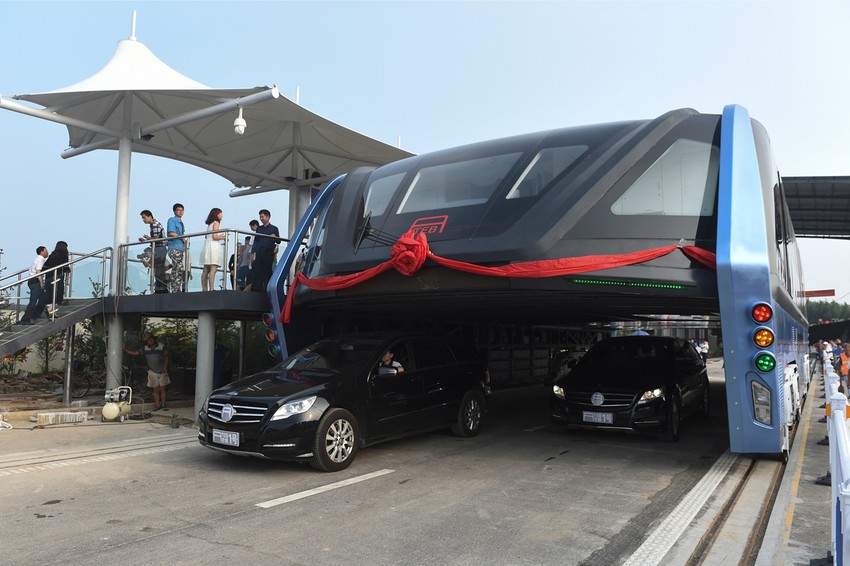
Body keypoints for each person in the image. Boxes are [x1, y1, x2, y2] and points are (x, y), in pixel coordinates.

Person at [124, 332, 170, 410]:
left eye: (151, 339)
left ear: (154, 339)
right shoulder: (145, 348)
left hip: (162, 370)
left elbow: (166, 357)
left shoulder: (161, 346)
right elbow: (136, 353)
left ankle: (163, 404)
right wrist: (126, 350)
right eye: (148, 340)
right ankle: (158, 405)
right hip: (151, 370)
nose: (150, 341)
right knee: (155, 388)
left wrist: (165, 367)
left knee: (163, 388)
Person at [249, 209, 280, 292]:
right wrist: (252, 253)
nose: (261, 218)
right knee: (258, 270)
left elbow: (279, 241)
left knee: (267, 271)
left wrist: (275, 237)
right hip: (259, 252)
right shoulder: (259, 229)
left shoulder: (274, 228)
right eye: (260, 217)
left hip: (269, 252)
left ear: (268, 217)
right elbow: (256, 241)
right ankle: (258, 289)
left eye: (262, 217)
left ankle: (266, 289)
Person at [139, 210, 168, 294]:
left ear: (150, 216)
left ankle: (161, 290)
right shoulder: (154, 224)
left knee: (159, 270)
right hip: (159, 248)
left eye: (144, 218)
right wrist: (148, 238)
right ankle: (160, 289)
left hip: (160, 249)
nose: (143, 220)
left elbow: (156, 238)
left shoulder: (155, 224)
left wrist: (147, 239)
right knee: (158, 270)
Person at [18, 245, 49, 324]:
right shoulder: (40, 259)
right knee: (33, 301)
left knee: (42, 298)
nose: (47, 252)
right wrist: (41, 282)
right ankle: (25, 319)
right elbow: (38, 271)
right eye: (46, 251)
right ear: (41, 252)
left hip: (32, 281)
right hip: (35, 281)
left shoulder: (37, 259)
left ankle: (37, 314)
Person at [200, 207, 225, 291]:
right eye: (220, 214)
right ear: (217, 214)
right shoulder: (216, 223)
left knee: (206, 269)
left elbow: (207, 236)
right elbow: (215, 236)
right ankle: (211, 288)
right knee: (213, 268)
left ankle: (204, 288)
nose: (222, 215)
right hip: (213, 246)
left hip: (207, 245)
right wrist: (223, 237)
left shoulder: (209, 224)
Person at [42, 241, 70, 315]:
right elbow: (66, 268)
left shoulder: (52, 255)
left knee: (50, 295)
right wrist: (67, 279)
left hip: (49, 277)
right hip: (58, 277)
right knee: (58, 296)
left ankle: (50, 311)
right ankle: (50, 311)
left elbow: (45, 267)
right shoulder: (64, 256)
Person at [166, 203, 187, 293]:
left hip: (180, 247)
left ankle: (176, 288)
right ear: (174, 211)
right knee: (178, 267)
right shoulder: (172, 220)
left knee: (177, 268)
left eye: (182, 210)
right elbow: (171, 232)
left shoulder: (181, 222)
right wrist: (182, 238)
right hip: (174, 246)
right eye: (178, 210)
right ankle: (175, 289)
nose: (180, 212)